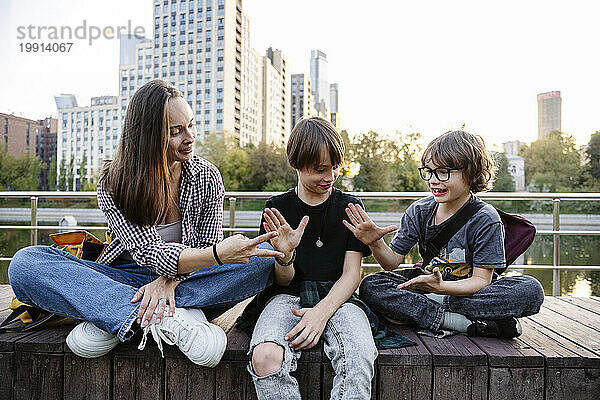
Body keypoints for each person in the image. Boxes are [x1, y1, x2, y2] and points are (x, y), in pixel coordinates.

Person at [8, 80, 284, 367]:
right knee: (26, 263)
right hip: (122, 277)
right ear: (148, 136)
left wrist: (170, 281)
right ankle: (169, 318)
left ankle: (116, 315)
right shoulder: (115, 182)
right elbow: (149, 252)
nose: (189, 137)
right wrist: (216, 255)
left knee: (263, 263)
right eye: (175, 131)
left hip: (190, 279)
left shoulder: (207, 176)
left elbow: (204, 248)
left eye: (190, 125)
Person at [345, 130, 545, 339]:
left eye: (443, 172)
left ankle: (429, 312)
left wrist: (441, 289)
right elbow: (391, 263)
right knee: (371, 286)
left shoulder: (486, 218)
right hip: (427, 283)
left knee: (530, 290)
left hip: (469, 290)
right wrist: (376, 243)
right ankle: (458, 321)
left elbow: (481, 281)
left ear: (472, 174)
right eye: (429, 172)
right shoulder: (419, 211)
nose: (433, 180)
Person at [244, 117, 378, 400]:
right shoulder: (276, 208)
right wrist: (286, 256)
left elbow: (352, 275)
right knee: (265, 356)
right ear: (296, 164)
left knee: (359, 356)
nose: (329, 177)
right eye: (320, 169)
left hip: (338, 297)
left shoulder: (349, 206)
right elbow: (282, 280)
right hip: (287, 298)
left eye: (334, 168)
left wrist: (321, 313)